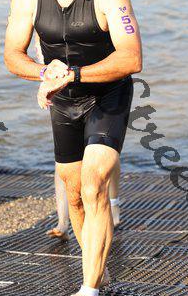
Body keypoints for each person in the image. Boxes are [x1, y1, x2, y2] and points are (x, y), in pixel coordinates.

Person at [5, 0, 142, 296]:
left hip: (107, 94)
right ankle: (93, 268)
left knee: (94, 183)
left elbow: (132, 57)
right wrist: (44, 72)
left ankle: (89, 295)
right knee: (74, 193)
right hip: (62, 100)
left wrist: (75, 74)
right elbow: (12, 54)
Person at [34, 32, 122, 238]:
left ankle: (114, 206)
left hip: (100, 87)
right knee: (64, 161)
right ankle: (63, 222)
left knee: (104, 154)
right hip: (61, 89)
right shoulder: (36, 16)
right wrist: (44, 75)